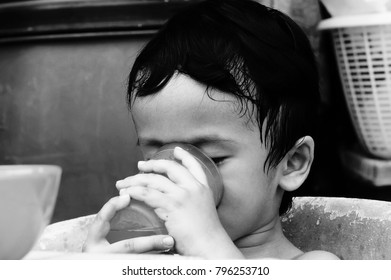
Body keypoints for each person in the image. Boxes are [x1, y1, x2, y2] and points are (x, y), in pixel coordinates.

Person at [83, 0, 339, 259]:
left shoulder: (313, 264)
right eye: (159, 159)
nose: (182, 180)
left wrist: (208, 244)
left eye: (212, 159)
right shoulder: (155, 261)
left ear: (292, 163)